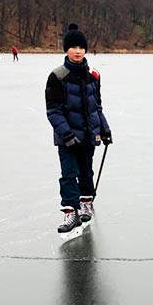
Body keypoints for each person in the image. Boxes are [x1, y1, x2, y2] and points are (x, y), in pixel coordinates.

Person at [45, 23, 112, 233]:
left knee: (85, 172)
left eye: (81, 47)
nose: (78, 51)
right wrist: (67, 134)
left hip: (89, 135)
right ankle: (70, 212)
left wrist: (105, 129)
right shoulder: (57, 76)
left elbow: (96, 106)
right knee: (68, 173)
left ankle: (85, 204)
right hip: (67, 137)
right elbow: (53, 111)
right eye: (73, 47)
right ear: (66, 49)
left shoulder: (94, 75)